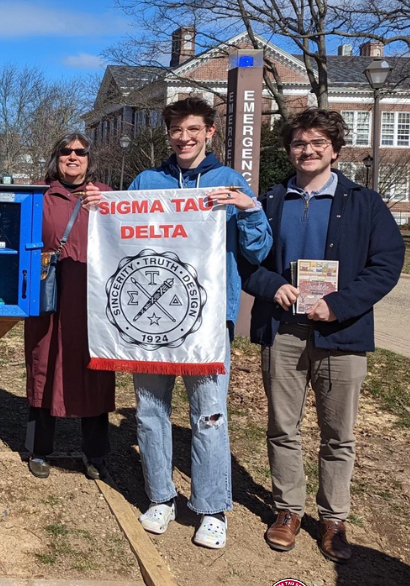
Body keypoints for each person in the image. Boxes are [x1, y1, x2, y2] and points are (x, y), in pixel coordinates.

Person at [242, 108, 403, 562]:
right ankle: (288, 510)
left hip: (342, 335)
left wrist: (339, 303)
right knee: (282, 428)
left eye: (317, 144)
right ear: (289, 149)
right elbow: (245, 262)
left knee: (338, 433)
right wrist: (273, 287)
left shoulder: (362, 202)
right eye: (299, 143)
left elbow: (387, 264)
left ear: (334, 149)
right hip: (284, 331)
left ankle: (333, 519)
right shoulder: (270, 202)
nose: (307, 151)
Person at [126, 96, 272, 550]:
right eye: (176, 130)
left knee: (209, 415)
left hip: (208, 321)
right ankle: (161, 497)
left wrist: (249, 209)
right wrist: (99, 209)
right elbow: (119, 240)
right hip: (151, 319)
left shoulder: (228, 182)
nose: (184, 138)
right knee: (151, 412)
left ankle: (210, 507)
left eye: (193, 129)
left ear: (210, 132)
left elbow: (258, 252)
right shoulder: (147, 182)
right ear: (167, 134)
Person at [24, 132, 112, 481]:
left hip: (93, 300)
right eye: (66, 151)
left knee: (95, 371)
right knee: (43, 366)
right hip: (49, 297)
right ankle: (39, 449)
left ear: (90, 159)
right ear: (56, 157)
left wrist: (106, 207)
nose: (73, 157)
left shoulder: (105, 196)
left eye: (81, 152)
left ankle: (96, 454)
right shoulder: (38, 194)